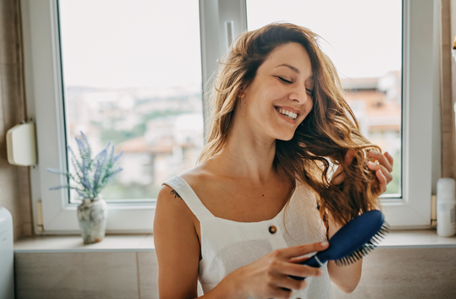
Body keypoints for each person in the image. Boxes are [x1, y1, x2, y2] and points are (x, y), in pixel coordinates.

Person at [154, 23, 394, 298]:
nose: (302, 97)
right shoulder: (180, 201)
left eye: (310, 89)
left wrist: (346, 204)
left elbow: (346, 281)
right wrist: (238, 286)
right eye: (285, 78)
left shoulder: (312, 181)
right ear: (242, 84)